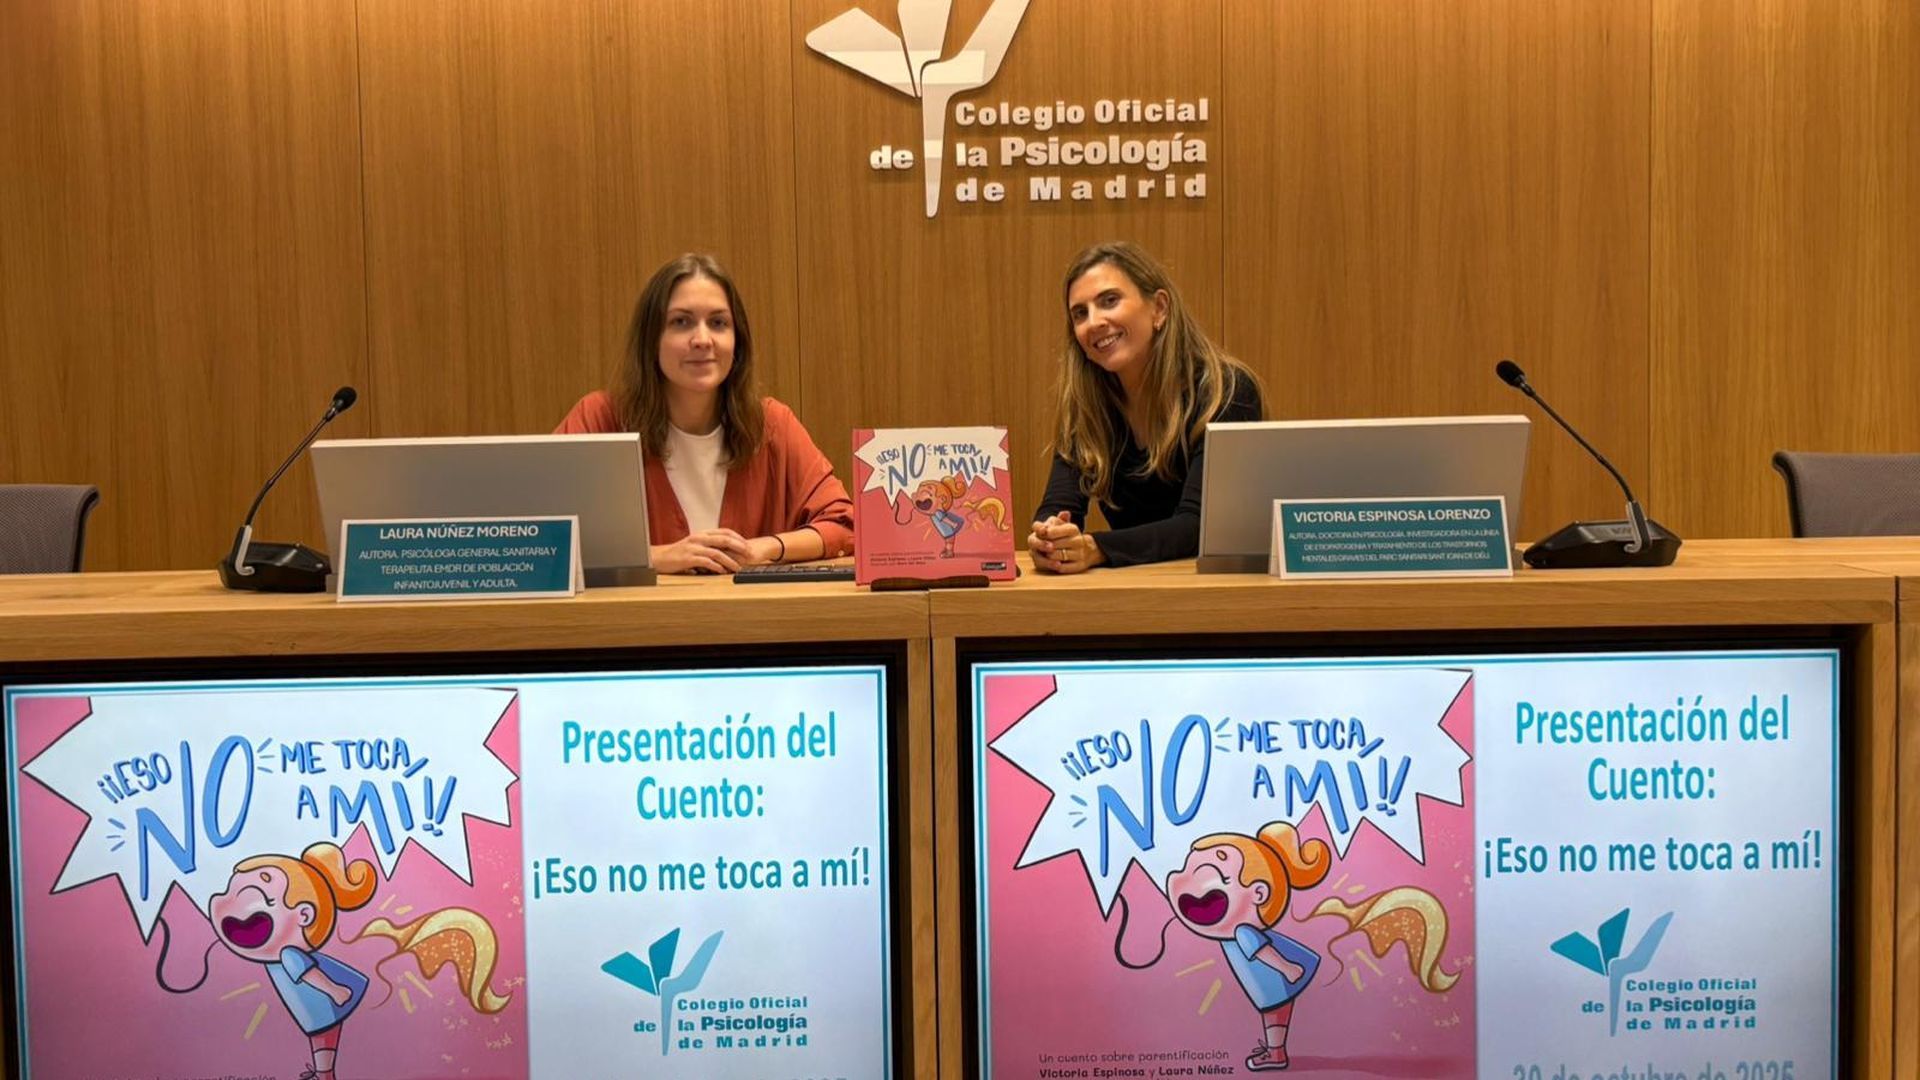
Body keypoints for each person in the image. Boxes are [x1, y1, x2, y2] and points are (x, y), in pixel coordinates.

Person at [556, 254, 854, 574]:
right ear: (651, 340)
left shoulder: (771, 424)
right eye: (681, 322)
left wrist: (763, 548)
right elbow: (538, 537)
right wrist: (654, 558)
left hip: (753, 622)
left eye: (718, 323)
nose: (702, 340)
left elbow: (844, 525)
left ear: (737, 341)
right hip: (637, 623)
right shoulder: (601, 418)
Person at [1030, 241, 1264, 572]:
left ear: (1159, 308)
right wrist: (1049, 534)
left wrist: (1098, 549)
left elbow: (1199, 525)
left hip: (1217, 597)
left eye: (1109, 301)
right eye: (1080, 313)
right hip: (1133, 596)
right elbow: (1058, 506)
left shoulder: (1226, 392)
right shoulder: (1087, 406)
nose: (1094, 322)